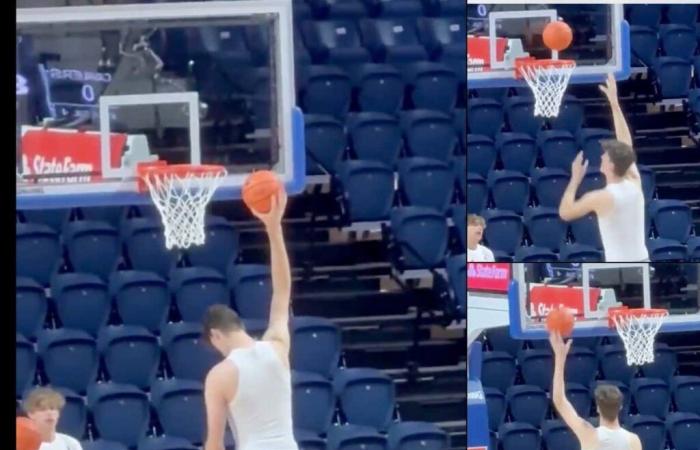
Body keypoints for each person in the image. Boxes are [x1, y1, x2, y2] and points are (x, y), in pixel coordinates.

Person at [202, 191, 298, 450]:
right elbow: (282, 291)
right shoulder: (277, 347)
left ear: (215, 336)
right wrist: (274, 228)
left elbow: (214, 445)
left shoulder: (219, 375)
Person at [558, 74, 649, 262]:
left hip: (621, 268)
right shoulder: (634, 181)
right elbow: (626, 144)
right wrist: (614, 104)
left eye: (605, 155)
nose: (601, 156)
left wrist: (575, 179)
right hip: (643, 261)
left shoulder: (601, 197)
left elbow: (565, 213)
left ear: (612, 165)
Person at [549, 332, 642, 450]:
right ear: (620, 407)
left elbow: (559, 400)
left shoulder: (589, 434)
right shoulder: (634, 440)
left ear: (598, 408)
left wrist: (560, 357)